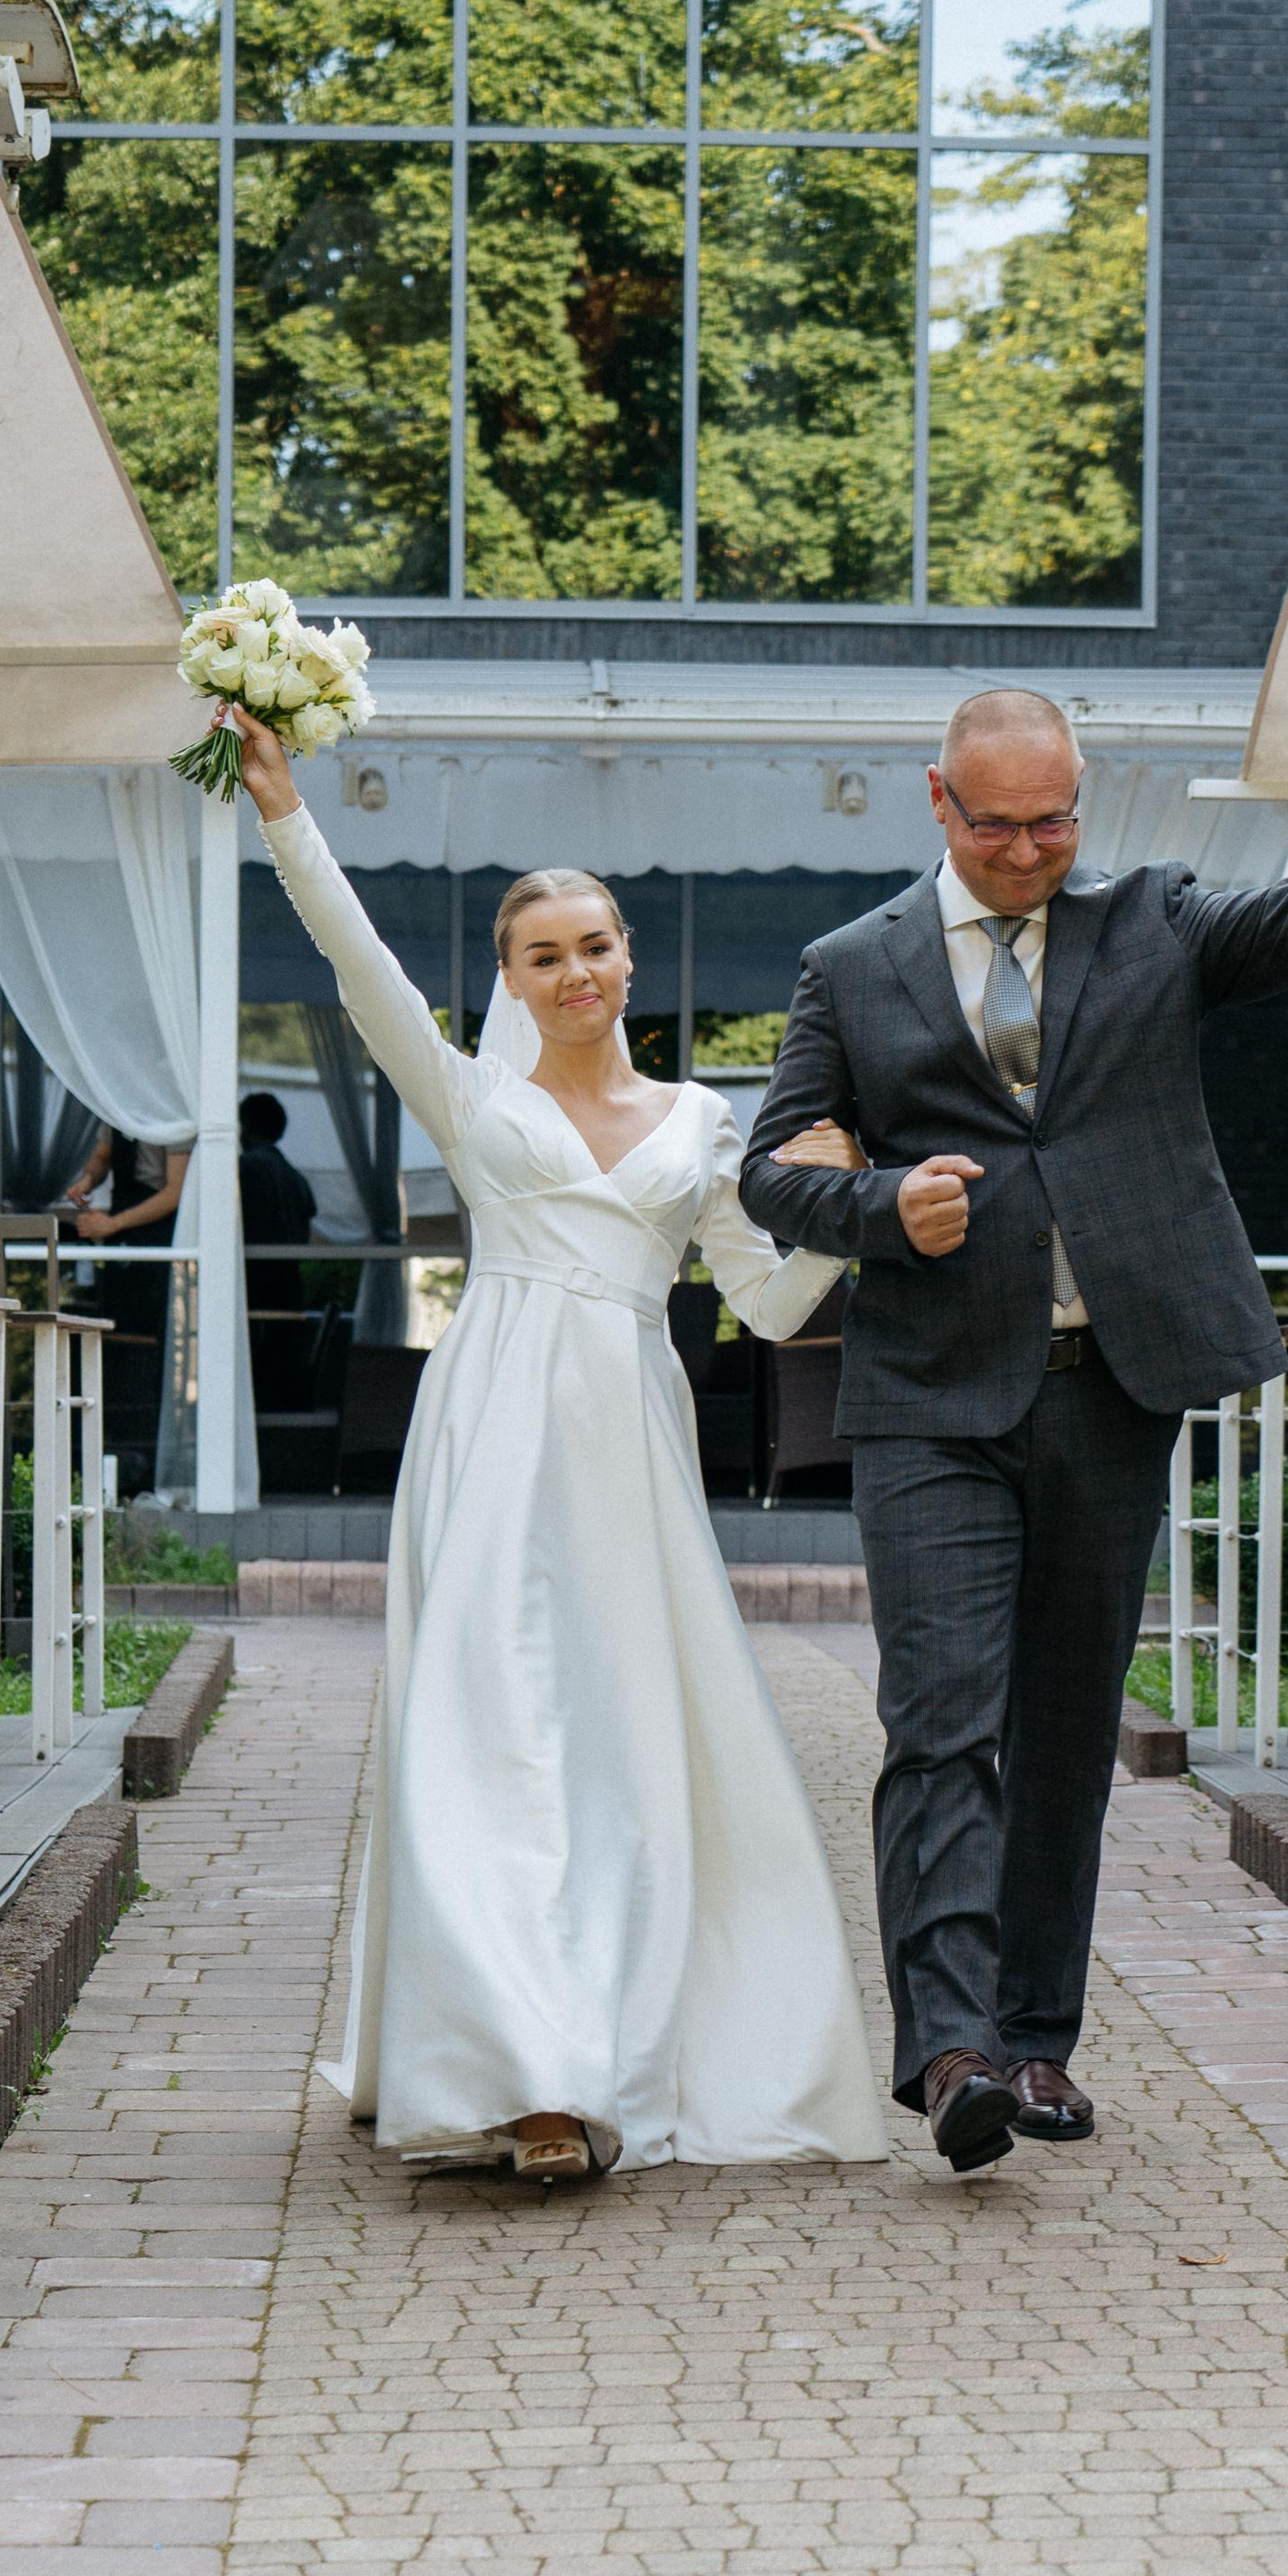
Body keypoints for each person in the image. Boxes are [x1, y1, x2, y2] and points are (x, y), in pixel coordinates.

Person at [740, 621, 1288, 2175]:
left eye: (1056, 817)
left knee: (1067, 1731)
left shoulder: (1156, 922)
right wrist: (882, 1211)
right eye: (999, 821)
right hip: (932, 1399)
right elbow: (769, 1172)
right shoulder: (851, 968)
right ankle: (947, 2053)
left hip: (1112, 1389)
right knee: (944, 1724)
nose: (1029, 850)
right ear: (937, 801)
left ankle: (1034, 2043)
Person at [229, 701, 888, 2182]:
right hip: (494, 1427)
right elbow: (354, 958)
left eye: (595, 945)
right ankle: (526, 2078)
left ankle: (614, 2031)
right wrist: (284, 808)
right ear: (510, 980)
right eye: (543, 954)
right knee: (494, 1737)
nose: (575, 970)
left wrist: (840, 1198)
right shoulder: (472, 1100)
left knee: (622, 1741)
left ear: (628, 962)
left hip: (630, 1448)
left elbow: (770, 1308)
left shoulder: (706, 1124)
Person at [238, 1091, 319, 1246]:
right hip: (290, 1268)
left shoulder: (243, 1168)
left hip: (250, 1268)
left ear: (247, 1126)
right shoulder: (297, 1179)